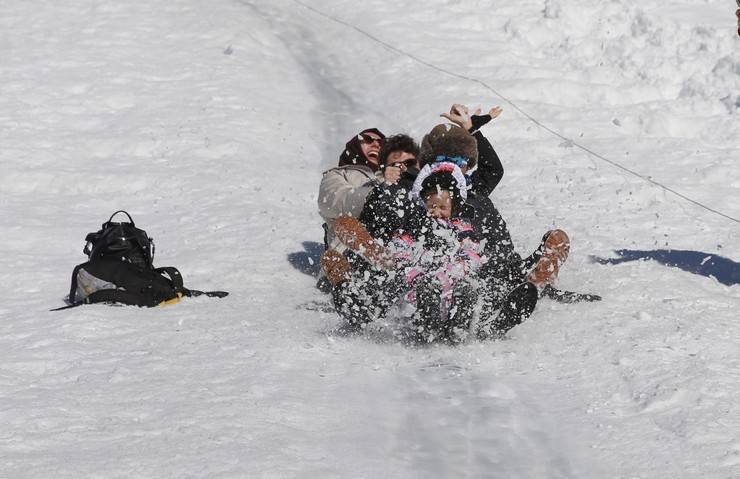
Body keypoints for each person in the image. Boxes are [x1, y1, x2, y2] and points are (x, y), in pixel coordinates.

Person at [391, 162, 484, 343]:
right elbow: (399, 250)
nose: (437, 212)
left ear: (453, 208)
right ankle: (426, 327)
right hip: (421, 284)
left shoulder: (462, 228)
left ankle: (459, 327)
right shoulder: (415, 228)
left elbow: (472, 253)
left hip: (453, 282)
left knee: (467, 288)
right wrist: (412, 272)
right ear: (424, 204)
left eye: (443, 208)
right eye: (432, 206)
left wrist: (457, 270)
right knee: (425, 289)